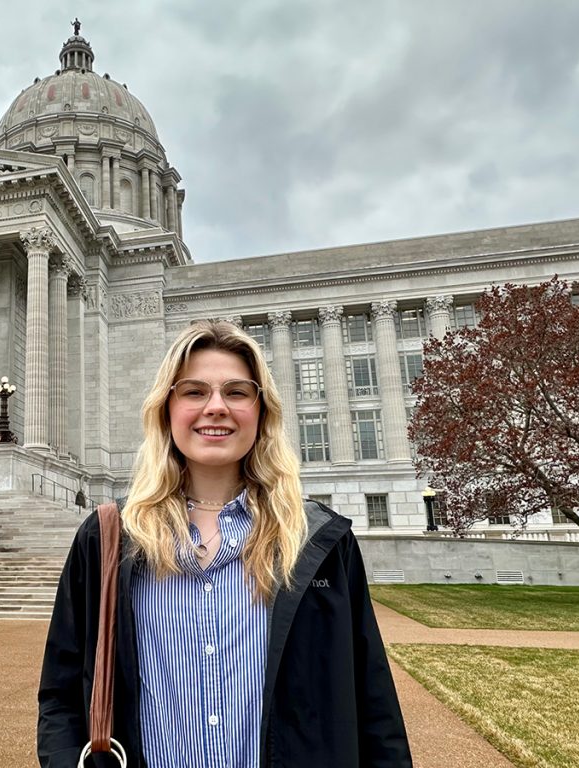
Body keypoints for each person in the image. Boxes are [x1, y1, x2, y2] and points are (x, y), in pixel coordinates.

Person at [37, 320, 412, 767]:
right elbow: (60, 695)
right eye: (194, 392)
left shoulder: (319, 541)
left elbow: (372, 703)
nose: (216, 407)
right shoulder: (109, 538)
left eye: (236, 392)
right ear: (166, 409)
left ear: (261, 410)